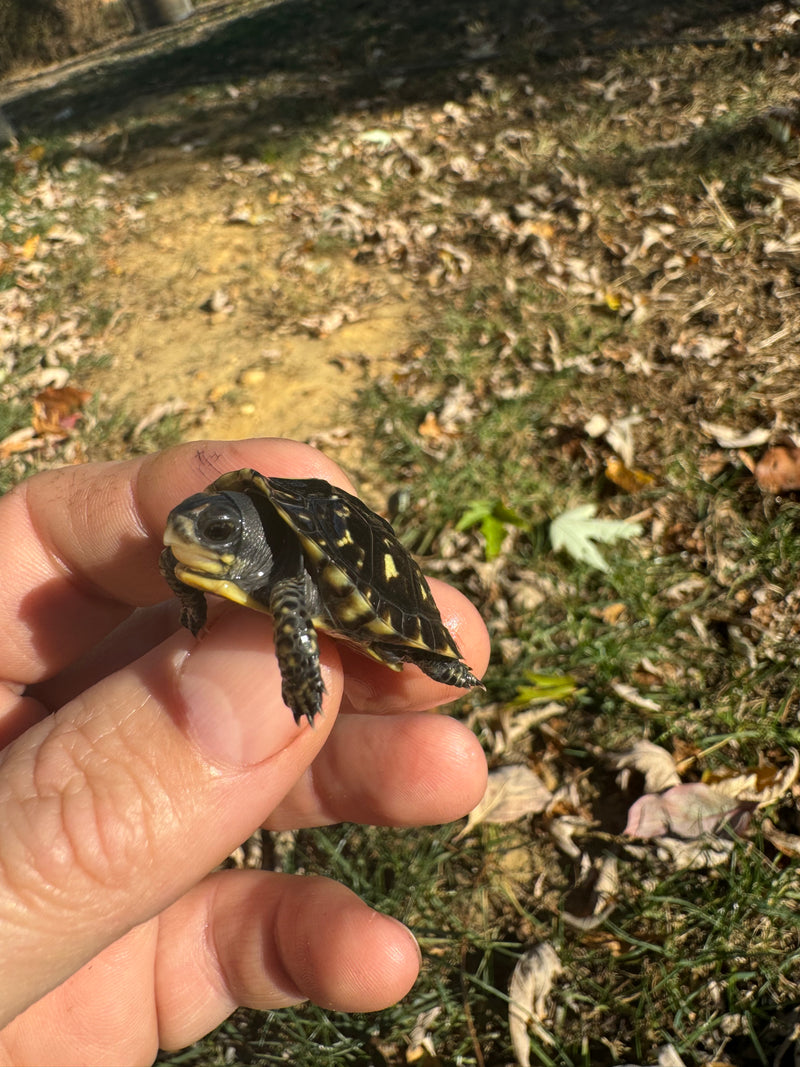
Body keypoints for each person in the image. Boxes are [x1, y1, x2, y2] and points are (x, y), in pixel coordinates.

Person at [0, 438, 489, 1066]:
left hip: (338, 581)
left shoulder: (289, 576)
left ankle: (430, 654)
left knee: (314, 608)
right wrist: (190, 598)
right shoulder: (200, 552)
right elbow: (179, 559)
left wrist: (299, 678)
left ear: (246, 533)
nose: (189, 533)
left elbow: (294, 597)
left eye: (218, 528)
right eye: (197, 520)